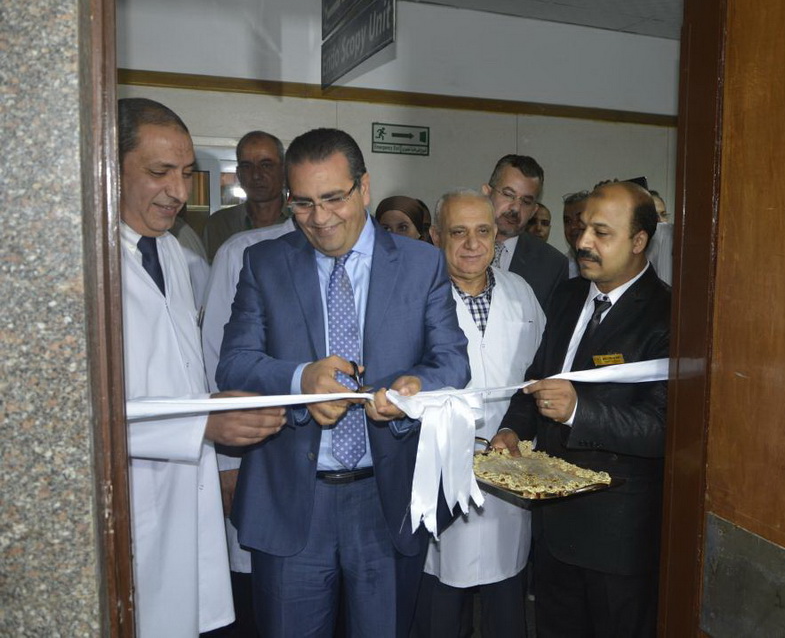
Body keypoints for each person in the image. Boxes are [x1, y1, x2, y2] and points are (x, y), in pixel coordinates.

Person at [216, 127, 470, 638]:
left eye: (334, 198)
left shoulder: (421, 264)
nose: (320, 218)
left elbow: (452, 362)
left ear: (364, 188)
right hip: (292, 499)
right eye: (303, 203)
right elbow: (234, 364)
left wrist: (412, 389)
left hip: (387, 497)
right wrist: (300, 379)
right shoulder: (265, 263)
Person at [118, 97, 286, 638]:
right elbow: (79, 413)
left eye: (186, 172)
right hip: (130, 493)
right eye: (159, 172)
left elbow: (186, 367)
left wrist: (217, 408)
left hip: (184, 485)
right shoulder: (87, 263)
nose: (178, 191)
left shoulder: (171, 252)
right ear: (108, 165)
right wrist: (203, 423)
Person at [492, 180, 670, 638]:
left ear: (639, 241)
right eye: (583, 228)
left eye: (601, 233)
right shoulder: (569, 295)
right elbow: (538, 375)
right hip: (553, 529)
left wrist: (578, 412)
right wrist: (513, 429)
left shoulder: (670, 314)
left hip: (617, 537)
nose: (583, 242)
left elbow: (662, 428)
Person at [415, 190, 545, 638]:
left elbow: (538, 375)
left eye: (483, 231)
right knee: (440, 609)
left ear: (496, 236)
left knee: (506, 604)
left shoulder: (520, 292)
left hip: (511, 473)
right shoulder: (416, 297)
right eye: (458, 232)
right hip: (441, 476)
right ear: (436, 237)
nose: (473, 244)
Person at [200, 216, 298, 637]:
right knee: (261, 597)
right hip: (259, 452)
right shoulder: (243, 252)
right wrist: (226, 463)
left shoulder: (363, 254)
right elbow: (214, 356)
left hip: (339, 479)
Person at [483, 154, 568, 312]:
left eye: (526, 201)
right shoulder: (456, 247)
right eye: (508, 195)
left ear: (534, 210)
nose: (516, 208)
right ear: (487, 193)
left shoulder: (553, 265)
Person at [203, 130, 289, 260]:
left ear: (283, 171)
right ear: (239, 174)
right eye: (247, 166)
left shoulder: (302, 221)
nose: (256, 175)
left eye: (266, 165)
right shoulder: (219, 225)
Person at [561, 191, 589, 279]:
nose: (573, 226)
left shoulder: (610, 264)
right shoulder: (559, 268)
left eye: (579, 219)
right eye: (568, 221)